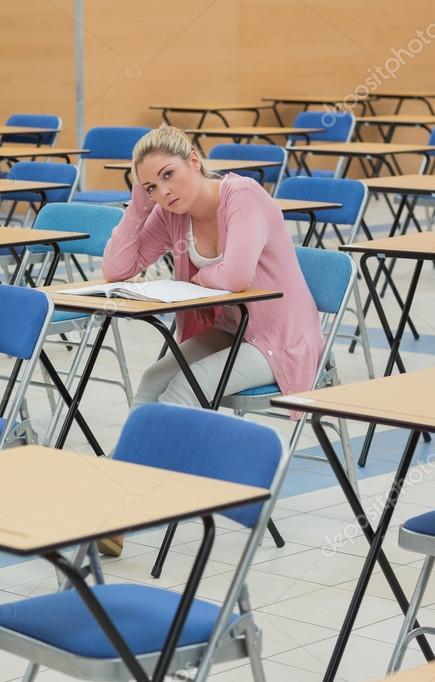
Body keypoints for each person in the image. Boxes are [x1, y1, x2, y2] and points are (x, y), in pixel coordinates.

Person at [97, 125, 324, 556]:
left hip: (280, 338)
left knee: (184, 388)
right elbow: (117, 269)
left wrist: (198, 281)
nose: (163, 191)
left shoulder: (243, 196)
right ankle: (118, 498)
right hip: (226, 330)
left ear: (194, 162)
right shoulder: (169, 214)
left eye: (168, 175)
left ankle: (122, 509)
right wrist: (137, 206)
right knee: (153, 380)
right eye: (151, 186)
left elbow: (236, 275)